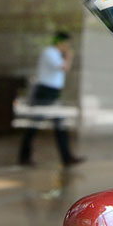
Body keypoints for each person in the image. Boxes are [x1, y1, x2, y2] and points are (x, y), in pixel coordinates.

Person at [18, 31, 84, 166]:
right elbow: (65, 67)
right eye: (66, 44)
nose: (67, 47)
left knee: (60, 125)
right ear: (60, 42)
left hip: (53, 93)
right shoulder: (49, 52)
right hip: (45, 93)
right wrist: (69, 56)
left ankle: (67, 158)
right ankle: (24, 157)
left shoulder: (56, 54)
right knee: (34, 126)